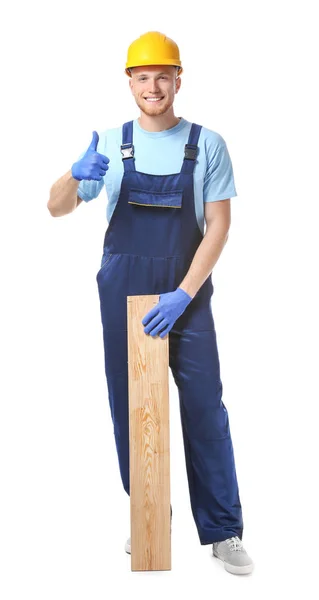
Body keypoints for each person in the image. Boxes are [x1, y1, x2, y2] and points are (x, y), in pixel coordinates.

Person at [48, 31, 254, 575]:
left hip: (186, 292)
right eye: (143, 77)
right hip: (123, 291)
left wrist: (184, 294)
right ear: (130, 82)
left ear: (178, 79)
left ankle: (223, 530)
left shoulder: (207, 143)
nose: (154, 86)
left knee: (206, 408)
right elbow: (55, 208)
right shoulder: (111, 145)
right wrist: (73, 175)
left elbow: (219, 227)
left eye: (163, 75)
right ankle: (147, 508)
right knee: (131, 409)